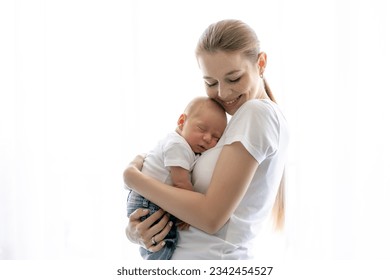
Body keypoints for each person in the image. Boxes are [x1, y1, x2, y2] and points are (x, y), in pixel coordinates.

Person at [123, 19, 289, 259]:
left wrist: (132, 178)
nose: (222, 93)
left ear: (261, 63)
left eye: (233, 79)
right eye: (211, 82)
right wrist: (137, 232)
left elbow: (210, 218)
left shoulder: (257, 114)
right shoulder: (235, 125)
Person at [125, 96, 227, 260]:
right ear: (181, 121)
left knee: (157, 245)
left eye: (216, 137)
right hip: (148, 202)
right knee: (163, 245)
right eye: (201, 129)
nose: (208, 138)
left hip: (147, 197)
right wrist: (187, 214)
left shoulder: (184, 145)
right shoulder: (178, 145)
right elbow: (181, 183)